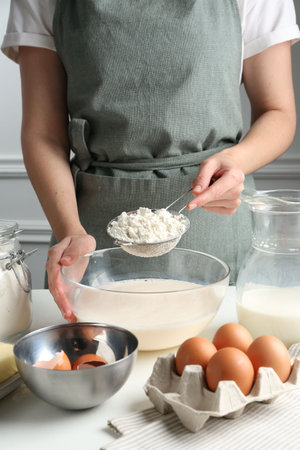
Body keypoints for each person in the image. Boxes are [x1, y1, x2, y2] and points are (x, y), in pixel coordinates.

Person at [2, 0, 300, 321]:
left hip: (217, 233)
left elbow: (278, 112)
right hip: (89, 247)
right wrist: (69, 230)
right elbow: (43, 133)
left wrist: (236, 160)